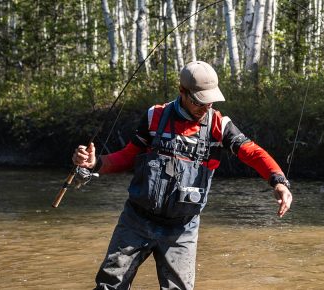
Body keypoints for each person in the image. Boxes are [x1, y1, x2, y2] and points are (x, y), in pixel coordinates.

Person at [72, 61, 293, 290]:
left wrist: (278, 182)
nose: (204, 108)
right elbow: (128, 156)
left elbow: (253, 153)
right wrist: (95, 163)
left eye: (209, 101)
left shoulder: (219, 125)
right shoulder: (154, 117)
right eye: (199, 101)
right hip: (136, 220)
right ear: (182, 92)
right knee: (109, 285)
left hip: (182, 229)